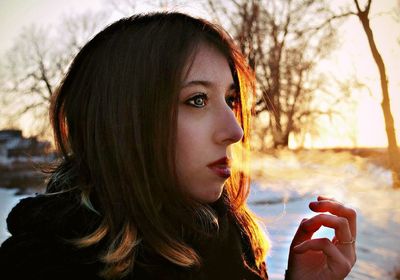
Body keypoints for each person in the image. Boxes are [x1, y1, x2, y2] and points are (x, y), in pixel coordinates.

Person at [0, 12, 357, 280]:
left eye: (230, 100)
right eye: (197, 100)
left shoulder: (229, 242)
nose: (234, 131)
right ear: (124, 121)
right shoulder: (41, 267)